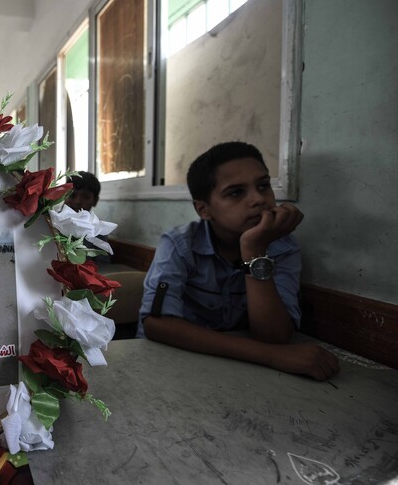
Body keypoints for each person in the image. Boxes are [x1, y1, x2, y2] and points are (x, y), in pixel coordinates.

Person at [137, 142, 340, 381]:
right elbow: (156, 324)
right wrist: (271, 355)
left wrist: (254, 251)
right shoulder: (180, 244)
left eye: (263, 185)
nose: (259, 199)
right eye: (236, 192)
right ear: (203, 209)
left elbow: (275, 336)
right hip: (168, 363)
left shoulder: (282, 247)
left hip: (238, 371)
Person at [65, 171, 110, 264]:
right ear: (64, 195)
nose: (77, 201)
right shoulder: (50, 221)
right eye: (73, 195)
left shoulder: (98, 230)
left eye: (85, 197)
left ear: (95, 201)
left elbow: (102, 266)